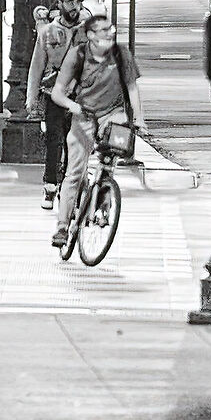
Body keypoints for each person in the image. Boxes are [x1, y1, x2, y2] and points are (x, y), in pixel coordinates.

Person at [48, 13, 142, 251]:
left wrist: (139, 118)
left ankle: (104, 199)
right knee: (74, 172)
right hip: (84, 115)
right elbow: (57, 93)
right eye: (103, 30)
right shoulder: (77, 55)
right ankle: (62, 226)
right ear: (90, 35)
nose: (109, 34)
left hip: (113, 113)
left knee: (113, 154)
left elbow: (132, 88)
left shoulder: (121, 54)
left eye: (110, 29)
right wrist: (73, 106)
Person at [26, 0, 88, 208]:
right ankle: (50, 185)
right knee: (54, 139)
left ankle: (70, 187)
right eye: (69, 3)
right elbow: (37, 65)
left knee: (76, 142)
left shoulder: (88, 30)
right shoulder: (48, 32)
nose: (74, 7)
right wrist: (31, 97)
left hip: (79, 94)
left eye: (77, 3)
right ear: (60, 4)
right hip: (53, 92)